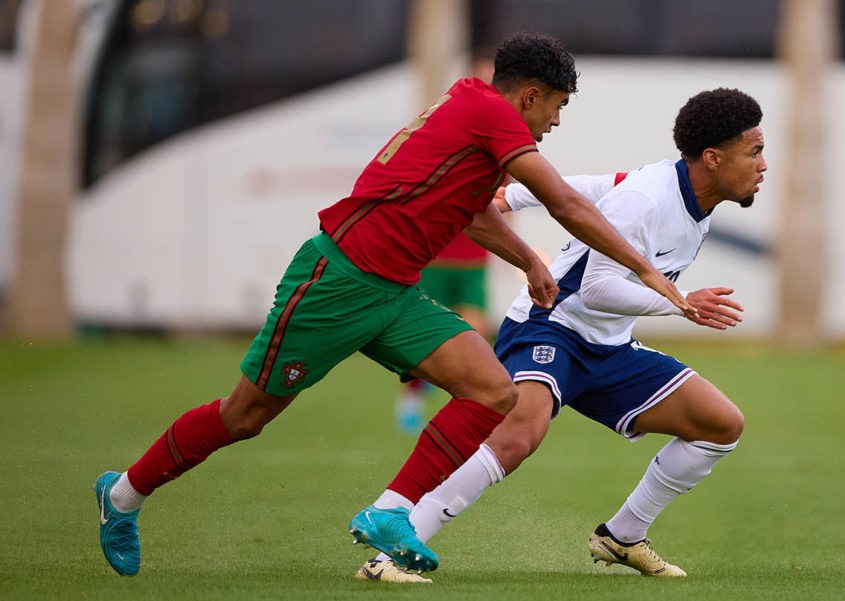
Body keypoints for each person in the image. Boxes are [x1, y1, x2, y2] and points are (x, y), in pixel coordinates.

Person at [93, 31, 694, 577]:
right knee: (244, 417)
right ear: (531, 96)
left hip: (394, 291)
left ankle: (390, 511)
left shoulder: (473, 110)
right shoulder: (488, 113)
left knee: (494, 390)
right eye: (558, 107)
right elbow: (564, 202)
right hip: (335, 282)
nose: (557, 122)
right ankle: (123, 495)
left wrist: (532, 262)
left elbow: (477, 213)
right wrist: (647, 271)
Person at [355, 88, 766, 583]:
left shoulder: (677, 193)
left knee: (720, 424)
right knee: (520, 434)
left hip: (608, 346)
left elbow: (592, 186)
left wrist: (515, 194)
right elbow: (593, 290)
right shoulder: (649, 198)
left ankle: (623, 535)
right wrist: (679, 303)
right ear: (713, 158)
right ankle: (389, 553)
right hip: (550, 325)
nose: (763, 165)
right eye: (755, 152)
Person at [394, 50, 499, 434]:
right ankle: (411, 398)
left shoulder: (506, 137)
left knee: (474, 331)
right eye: (484, 79)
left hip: (474, 259)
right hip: (436, 254)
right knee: (426, 338)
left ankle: (465, 403)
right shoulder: (453, 127)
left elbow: (506, 198)